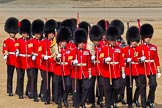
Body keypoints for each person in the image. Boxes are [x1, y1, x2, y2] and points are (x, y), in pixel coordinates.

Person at [101, 26, 125, 108]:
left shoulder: (119, 49)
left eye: (114, 40)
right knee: (107, 89)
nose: (113, 42)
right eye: (112, 40)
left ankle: (113, 101)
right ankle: (108, 104)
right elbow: (100, 59)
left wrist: (123, 71)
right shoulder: (104, 48)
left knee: (118, 87)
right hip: (107, 72)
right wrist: (105, 60)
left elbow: (121, 60)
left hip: (116, 71)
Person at [139, 23, 161, 108]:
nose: (148, 39)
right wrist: (141, 59)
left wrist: (158, 70)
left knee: (153, 84)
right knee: (143, 87)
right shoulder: (139, 47)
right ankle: (144, 103)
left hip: (151, 68)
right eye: (146, 37)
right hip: (142, 69)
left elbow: (156, 59)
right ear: (143, 38)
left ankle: (150, 101)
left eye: (149, 37)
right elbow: (135, 58)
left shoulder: (154, 47)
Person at [38, 19, 58, 104]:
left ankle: (55, 98)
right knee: (46, 83)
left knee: (55, 83)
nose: (51, 35)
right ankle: (46, 99)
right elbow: (39, 52)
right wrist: (43, 56)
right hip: (45, 65)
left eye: (52, 33)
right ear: (47, 34)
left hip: (54, 65)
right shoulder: (43, 42)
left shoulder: (56, 43)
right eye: (50, 33)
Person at [71, 28, 91, 108]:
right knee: (76, 89)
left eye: (83, 43)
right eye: (80, 43)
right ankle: (76, 103)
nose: (82, 44)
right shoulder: (73, 51)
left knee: (86, 88)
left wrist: (89, 73)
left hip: (84, 72)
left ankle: (82, 102)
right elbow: (69, 61)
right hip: (76, 72)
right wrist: (73, 62)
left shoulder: (87, 51)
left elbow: (89, 63)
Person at [54, 27, 72, 108]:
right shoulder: (56, 49)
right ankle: (59, 102)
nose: (62, 43)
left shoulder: (69, 50)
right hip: (58, 71)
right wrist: (57, 57)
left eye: (64, 41)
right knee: (58, 87)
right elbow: (51, 59)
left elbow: (70, 59)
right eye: (61, 41)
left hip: (66, 70)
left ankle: (64, 98)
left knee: (68, 85)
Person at [123, 26, 141, 107]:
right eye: (132, 41)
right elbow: (122, 59)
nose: (134, 42)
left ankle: (136, 99)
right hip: (128, 70)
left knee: (140, 86)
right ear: (129, 41)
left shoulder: (140, 49)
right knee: (129, 87)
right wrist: (127, 60)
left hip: (138, 70)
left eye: (135, 41)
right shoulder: (125, 49)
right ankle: (129, 102)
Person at [110, 19, 127, 104]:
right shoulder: (111, 41)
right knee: (114, 85)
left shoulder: (123, 42)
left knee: (123, 83)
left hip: (122, 66)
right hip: (114, 66)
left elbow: (126, 51)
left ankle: (121, 97)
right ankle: (113, 98)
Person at [15, 19, 31, 99]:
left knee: (30, 77)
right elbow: (16, 47)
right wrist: (17, 51)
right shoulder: (19, 40)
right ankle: (20, 93)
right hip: (20, 61)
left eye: (27, 33)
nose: (26, 34)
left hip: (28, 61)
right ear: (22, 33)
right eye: (24, 33)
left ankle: (28, 91)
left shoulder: (30, 41)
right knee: (20, 78)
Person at [88, 25, 104, 108]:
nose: (96, 42)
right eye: (95, 40)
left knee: (101, 85)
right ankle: (92, 101)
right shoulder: (89, 46)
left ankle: (100, 100)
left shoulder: (102, 46)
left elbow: (103, 56)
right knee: (91, 86)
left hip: (100, 69)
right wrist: (91, 57)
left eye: (97, 40)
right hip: (92, 69)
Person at [2, 17, 19, 96]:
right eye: (12, 32)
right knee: (10, 76)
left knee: (19, 76)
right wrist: (5, 54)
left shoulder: (17, 41)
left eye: (14, 32)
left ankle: (18, 90)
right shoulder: (6, 41)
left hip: (17, 60)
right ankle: (9, 90)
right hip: (10, 60)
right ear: (9, 33)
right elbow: (5, 49)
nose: (13, 34)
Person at [28, 19, 44, 102]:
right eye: (37, 34)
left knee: (43, 78)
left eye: (39, 33)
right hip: (34, 62)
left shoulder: (43, 41)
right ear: (34, 33)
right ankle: (34, 95)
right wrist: (33, 55)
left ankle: (42, 93)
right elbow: (30, 50)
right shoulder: (31, 41)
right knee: (34, 79)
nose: (38, 35)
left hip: (41, 62)